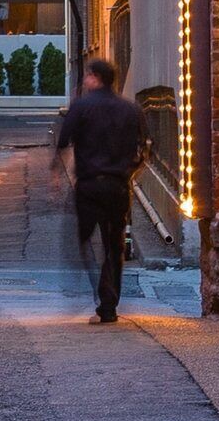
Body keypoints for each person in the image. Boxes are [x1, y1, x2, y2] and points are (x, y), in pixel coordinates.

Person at [46, 55, 148, 322]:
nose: (84, 80)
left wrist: (56, 174)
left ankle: (98, 292)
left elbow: (63, 141)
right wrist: (131, 170)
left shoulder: (81, 107)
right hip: (118, 185)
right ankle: (108, 303)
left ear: (96, 78)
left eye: (88, 75)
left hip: (89, 184)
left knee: (83, 241)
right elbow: (145, 146)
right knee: (114, 244)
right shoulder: (131, 109)